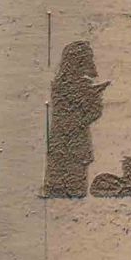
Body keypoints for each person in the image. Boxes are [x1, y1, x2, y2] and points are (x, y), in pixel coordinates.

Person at [43, 42, 109, 198]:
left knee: (72, 188)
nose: (92, 62)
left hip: (68, 145)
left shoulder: (66, 85)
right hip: (69, 144)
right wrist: (94, 96)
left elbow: (90, 112)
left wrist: (93, 95)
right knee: (68, 189)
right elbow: (88, 114)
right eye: (88, 59)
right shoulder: (65, 86)